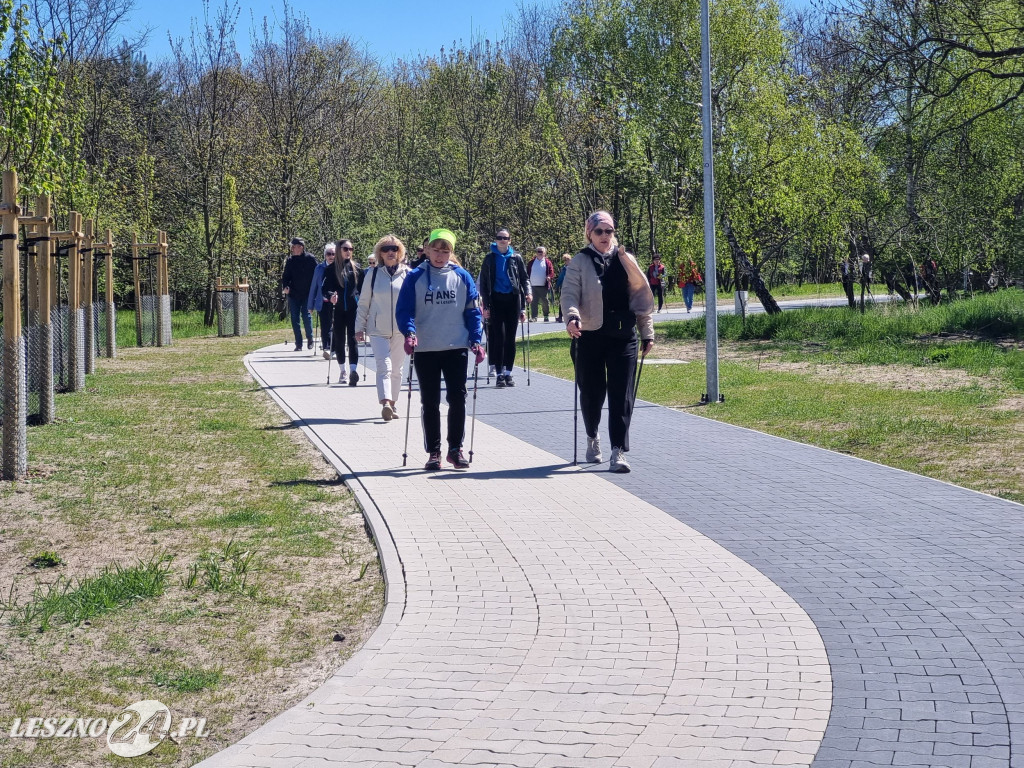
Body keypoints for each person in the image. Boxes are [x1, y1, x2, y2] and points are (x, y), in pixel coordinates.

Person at [562, 210, 654, 473]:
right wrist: (572, 317)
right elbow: (569, 294)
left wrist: (647, 332)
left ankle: (618, 451)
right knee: (591, 393)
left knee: (621, 395)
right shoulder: (580, 261)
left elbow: (641, 298)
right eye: (599, 231)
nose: (604, 236)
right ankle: (593, 436)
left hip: (624, 337)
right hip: (588, 335)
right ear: (589, 233)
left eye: (609, 230)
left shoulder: (626, 259)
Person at [396, 228, 484, 470]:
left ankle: (455, 449)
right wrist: (410, 333)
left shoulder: (462, 276)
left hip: (456, 346)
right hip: (426, 348)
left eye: (445, 251)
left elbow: (473, 311)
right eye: (435, 249)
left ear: (451, 253)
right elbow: (404, 310)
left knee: (458, 398)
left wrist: (476, 339)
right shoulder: (415, 276)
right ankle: (434, 452)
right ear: (426, 250)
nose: (439, 255)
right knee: (430, 400)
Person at [355, 235, 410, 421]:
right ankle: (385, 402)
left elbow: (415, 303)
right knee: (383, 366)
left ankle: (393, 404)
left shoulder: (408, 274)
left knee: (397, 368)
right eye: (386, 249)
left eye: (394, 248)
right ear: (380, 253)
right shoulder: (373, 274)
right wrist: (359, 327)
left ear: (399, 251)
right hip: (378, 329)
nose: (390, 252)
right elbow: (363, 303)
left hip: (401, 330)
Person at [478, 228, 530, 387]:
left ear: (510, 240)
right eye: (499, 237)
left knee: (510, 338)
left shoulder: (516, 258)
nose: (502, 240)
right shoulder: (489, 258)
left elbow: (524, 279)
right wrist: (485, 305)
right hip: (496, 300)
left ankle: (508, 373)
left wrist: (527, 295)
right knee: (498, 337)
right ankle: (499, 373)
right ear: (495, 240)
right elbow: (484, 285)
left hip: (512, 300)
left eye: (505, 238)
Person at [323, 239, 364, 385]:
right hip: (338, 310)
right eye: (346, 249)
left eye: (351, 249)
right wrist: (330, 296)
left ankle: (353, 371)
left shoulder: (357, 268)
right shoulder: (330, 269)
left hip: (353, 310)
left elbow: (363, 289)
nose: (349, 252)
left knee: (353, 340)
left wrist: (362, 301)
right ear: (339, 250)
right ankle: (343, 371)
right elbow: (325, 289)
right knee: (339, 340)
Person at [281, 237, 317, 351]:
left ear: (300, 247)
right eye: (292, 247)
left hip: (307, 294)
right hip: (294, 294)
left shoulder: (310, 259)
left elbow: (317, 275)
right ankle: (299, 343)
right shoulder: (290, 260)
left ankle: (310, 339)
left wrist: (316, 290)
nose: (292, 249)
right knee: (294, 318)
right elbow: (285, 276)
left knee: (306, 316)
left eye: (294, 246)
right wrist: (286, 287)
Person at [308, 243, 336, 358]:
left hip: (336, 303)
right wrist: (310, 305)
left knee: (335, 326)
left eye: (333, 254)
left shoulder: (339, 268)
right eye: (329, 254)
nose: (331, 256)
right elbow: (313, 287)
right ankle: (327, 348)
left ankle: (334, 348)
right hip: (323, 302)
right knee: (325, 326)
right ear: (325, 255)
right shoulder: (319, 268)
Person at [527, 246, 555, 322]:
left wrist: (549, 277)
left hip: (543, 286)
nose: (539, 253)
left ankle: (546, 315)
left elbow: (551, 272)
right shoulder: (531, 262)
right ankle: (534, 317)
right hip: (533, 285)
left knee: (545, 301)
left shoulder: (547, 262)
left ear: (544, 253)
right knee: (533, 302)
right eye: (538, 251)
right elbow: (527, 272)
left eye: (541, 252)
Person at [554, 253, 571, 322]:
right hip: (564, 288)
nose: (566, 261)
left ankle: (571, 316)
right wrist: (557, 286)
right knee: (562, 302)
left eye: (567, 260)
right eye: (565, 260)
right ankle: (560, 317)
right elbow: (561, 278)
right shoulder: (564, 269)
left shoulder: (574, 268)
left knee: (571, 302)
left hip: (572, 287)